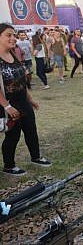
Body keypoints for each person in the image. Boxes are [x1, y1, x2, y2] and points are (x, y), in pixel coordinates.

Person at [0, 23, 51, 176]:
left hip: (23, 100)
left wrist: (30, 99)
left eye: (14, 35)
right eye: (8, 35)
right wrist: (7, 106)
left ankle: (36, 157)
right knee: (13, 135)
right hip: (9, 103)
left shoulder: (14, 54)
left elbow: (21, 81)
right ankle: (9, 165)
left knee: (31, 130)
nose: (13, 38)